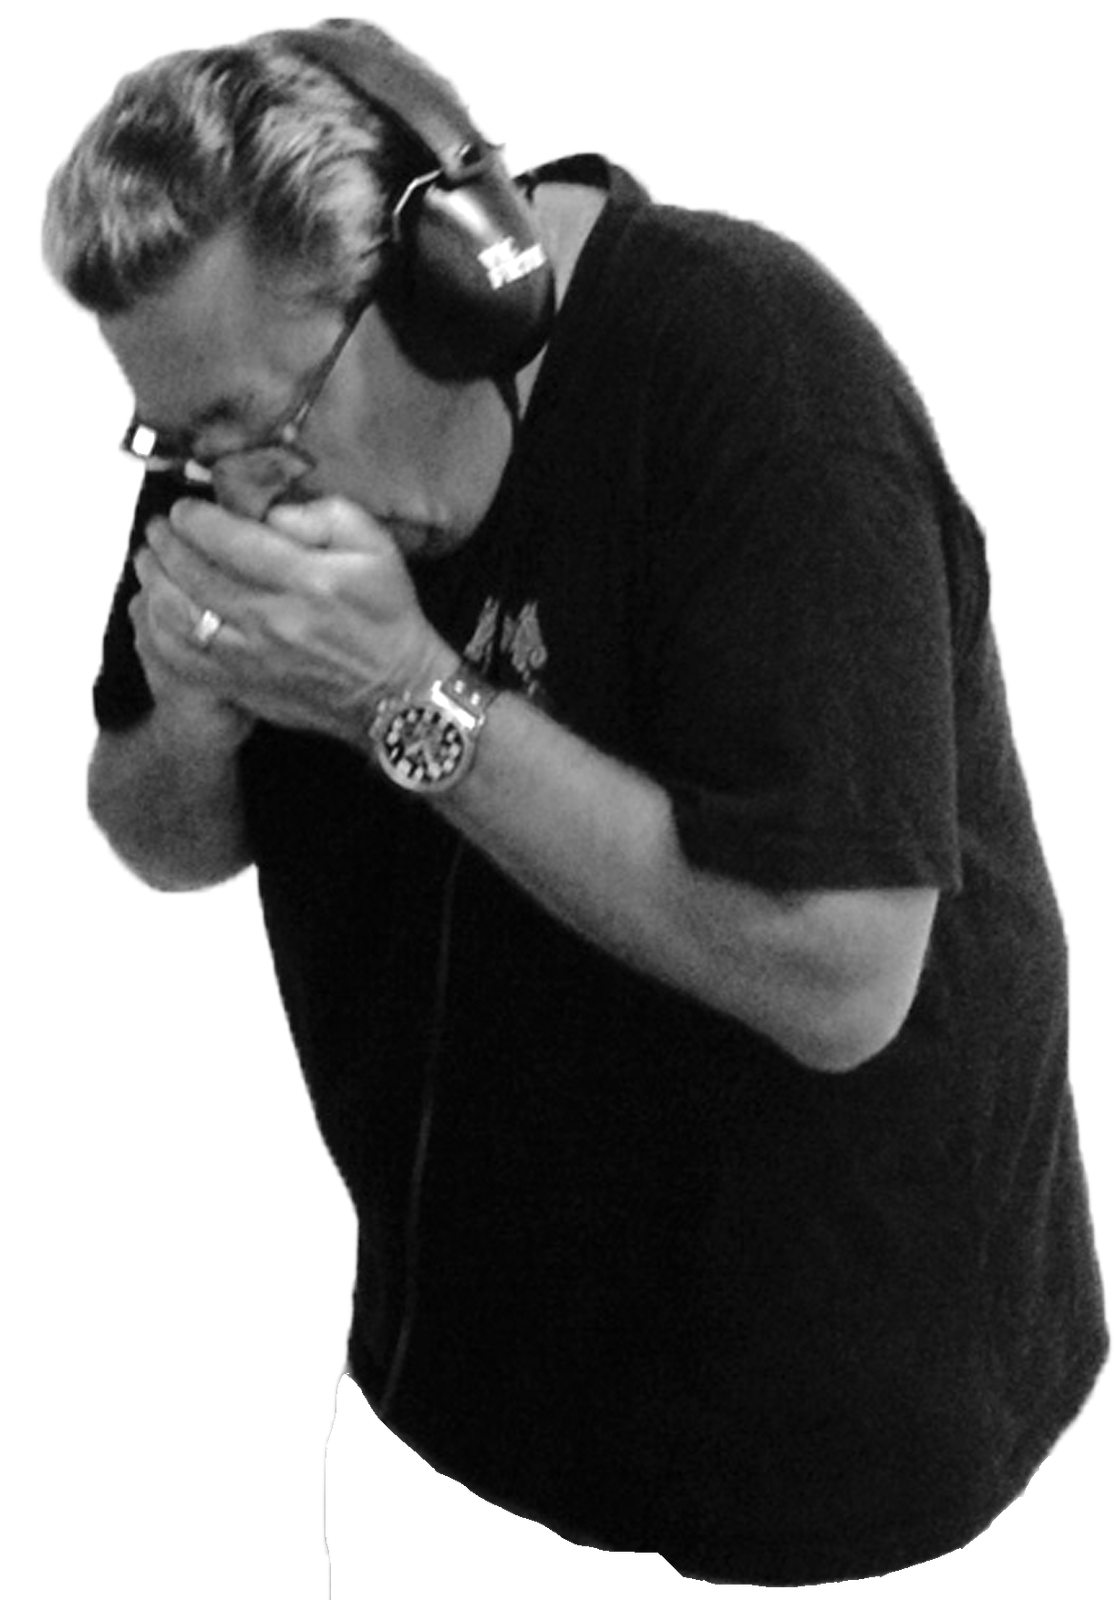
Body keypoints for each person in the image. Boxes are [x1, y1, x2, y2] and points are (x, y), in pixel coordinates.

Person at [39, 16, 1109, 1585]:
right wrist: (197, 713)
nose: (235, 485)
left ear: (448, 291)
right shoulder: (236, 424)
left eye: (260, 429)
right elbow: (158, 834)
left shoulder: (759, 380)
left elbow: (841, 979)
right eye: (177, 440)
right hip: (447, 1395)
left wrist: (399, 693)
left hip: (821, 1445)